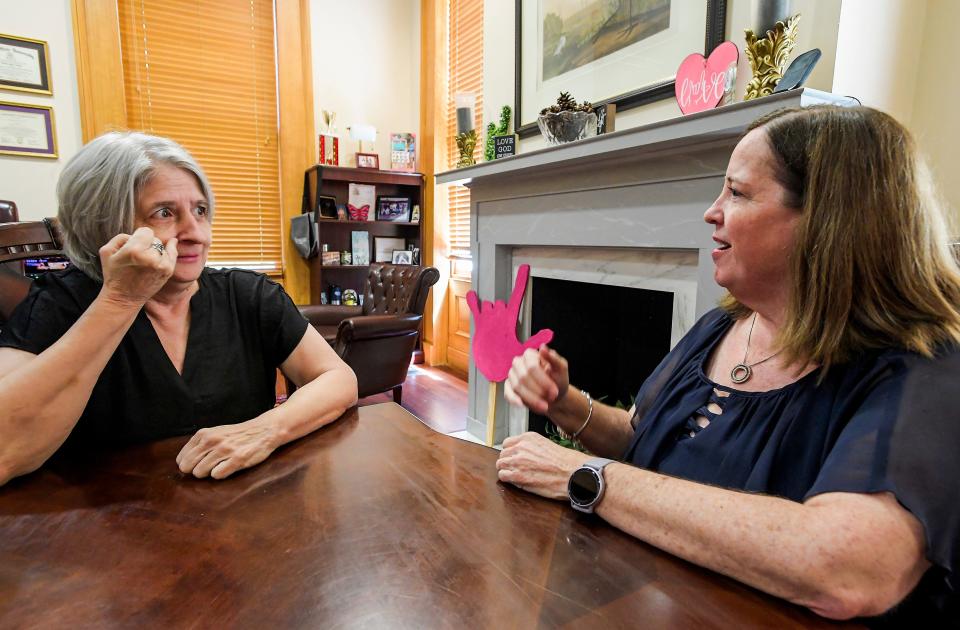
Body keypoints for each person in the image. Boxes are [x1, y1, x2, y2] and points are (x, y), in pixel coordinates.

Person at [496, 105, 960, 623]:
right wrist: (566, 404)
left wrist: (585, 477)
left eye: (737, 193)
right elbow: (641, 437)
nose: (711, 212)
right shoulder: (722, 326)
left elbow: (847, 570)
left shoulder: (926, 367)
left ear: (829, 220)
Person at [0, 132, 358, 485]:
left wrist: (264, 430)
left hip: (241, 519)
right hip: (104, 529)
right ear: (102, 226)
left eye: (200, 211)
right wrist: (121, 300)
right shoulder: (58, 304)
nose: (196, 233)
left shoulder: (247, 294)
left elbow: (338, 379)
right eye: (164, 212)